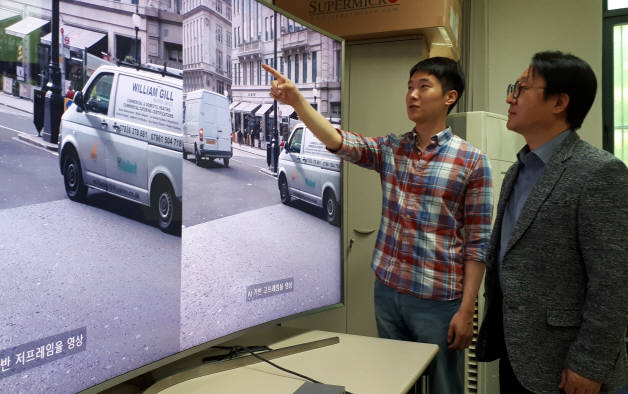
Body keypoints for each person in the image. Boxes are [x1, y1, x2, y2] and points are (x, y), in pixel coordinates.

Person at [262, 57, 493, 394]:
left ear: (450, 97)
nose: (412, 94)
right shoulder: (392, 148)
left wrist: (467, 308)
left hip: (438, 299)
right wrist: (297, 100)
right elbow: (340, 142)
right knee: (393, 381)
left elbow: (478, 242)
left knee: (445, 385)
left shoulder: (471, 160)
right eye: (409, 87)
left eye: (423, 86)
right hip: (388, 290)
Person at [475, 51, 628, 394]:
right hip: (517, 354)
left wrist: (589, 364)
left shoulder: (599, 172)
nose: (509, 97)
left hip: (568, 368)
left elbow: (614, 283)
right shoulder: (516, 171)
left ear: (559, 102)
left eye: (521, 88)